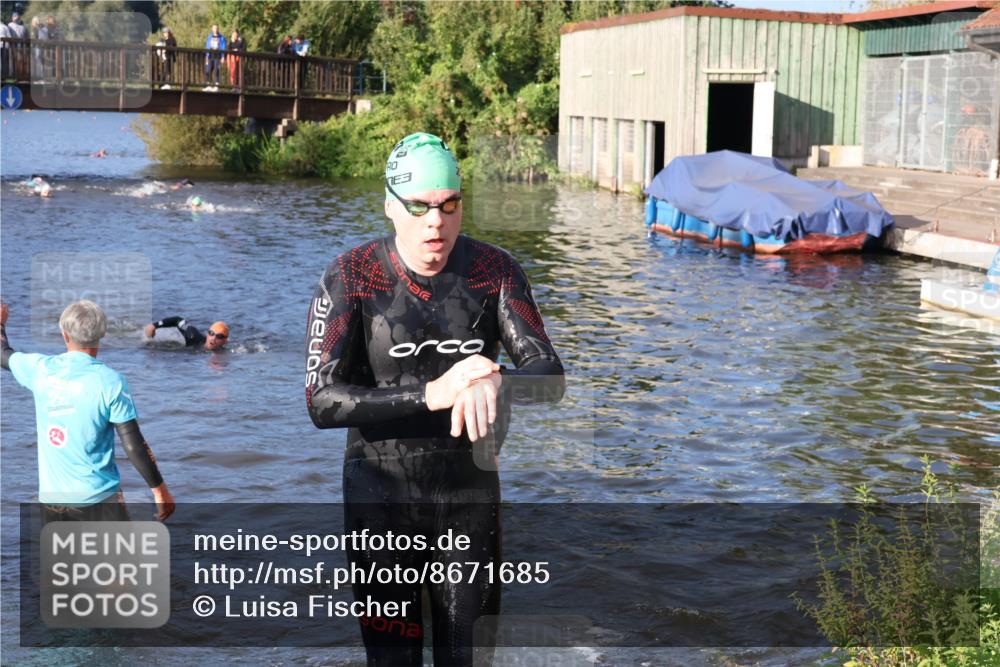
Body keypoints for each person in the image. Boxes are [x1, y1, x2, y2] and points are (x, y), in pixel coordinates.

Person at [305, 132, 564, 665]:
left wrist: (499, 380)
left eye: (449, 206)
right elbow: (320, 401)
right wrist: (434, 393)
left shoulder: (494, 271)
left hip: (469, 500)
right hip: (380, 498)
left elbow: (549, 374)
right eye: (419, 207)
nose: (435, 223)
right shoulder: (351, 276)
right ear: (390, 207)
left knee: (467, 659)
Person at [1, 301, 175, 522]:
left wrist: (1, 323)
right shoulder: (112, 382)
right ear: (101, 334)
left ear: (64, 334)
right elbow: (133, 445)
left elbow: (3, 353)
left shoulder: (40, 369)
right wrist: (160, 491)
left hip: (53, 503)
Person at [144, 316, 228, 351]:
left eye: (219, 336)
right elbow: (178, 320)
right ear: (207, 333)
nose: (213, 338)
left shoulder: (224, 351)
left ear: (225, 341)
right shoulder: (192, 335)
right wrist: (154, 325)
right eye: (211, 333)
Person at [203, 23, 226, 90]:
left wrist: (223, 56)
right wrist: (206, 56)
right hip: (210, 54)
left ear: (218, 29)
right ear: (212, 29)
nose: (215, 30)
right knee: (208, 69)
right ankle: (208, 84)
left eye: (217, 28)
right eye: (214, 28)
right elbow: (207, 46)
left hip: (218, 55)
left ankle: (216, 85)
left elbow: (223, 47)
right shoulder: (210, 37)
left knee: (217, 69)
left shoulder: (221, 38)